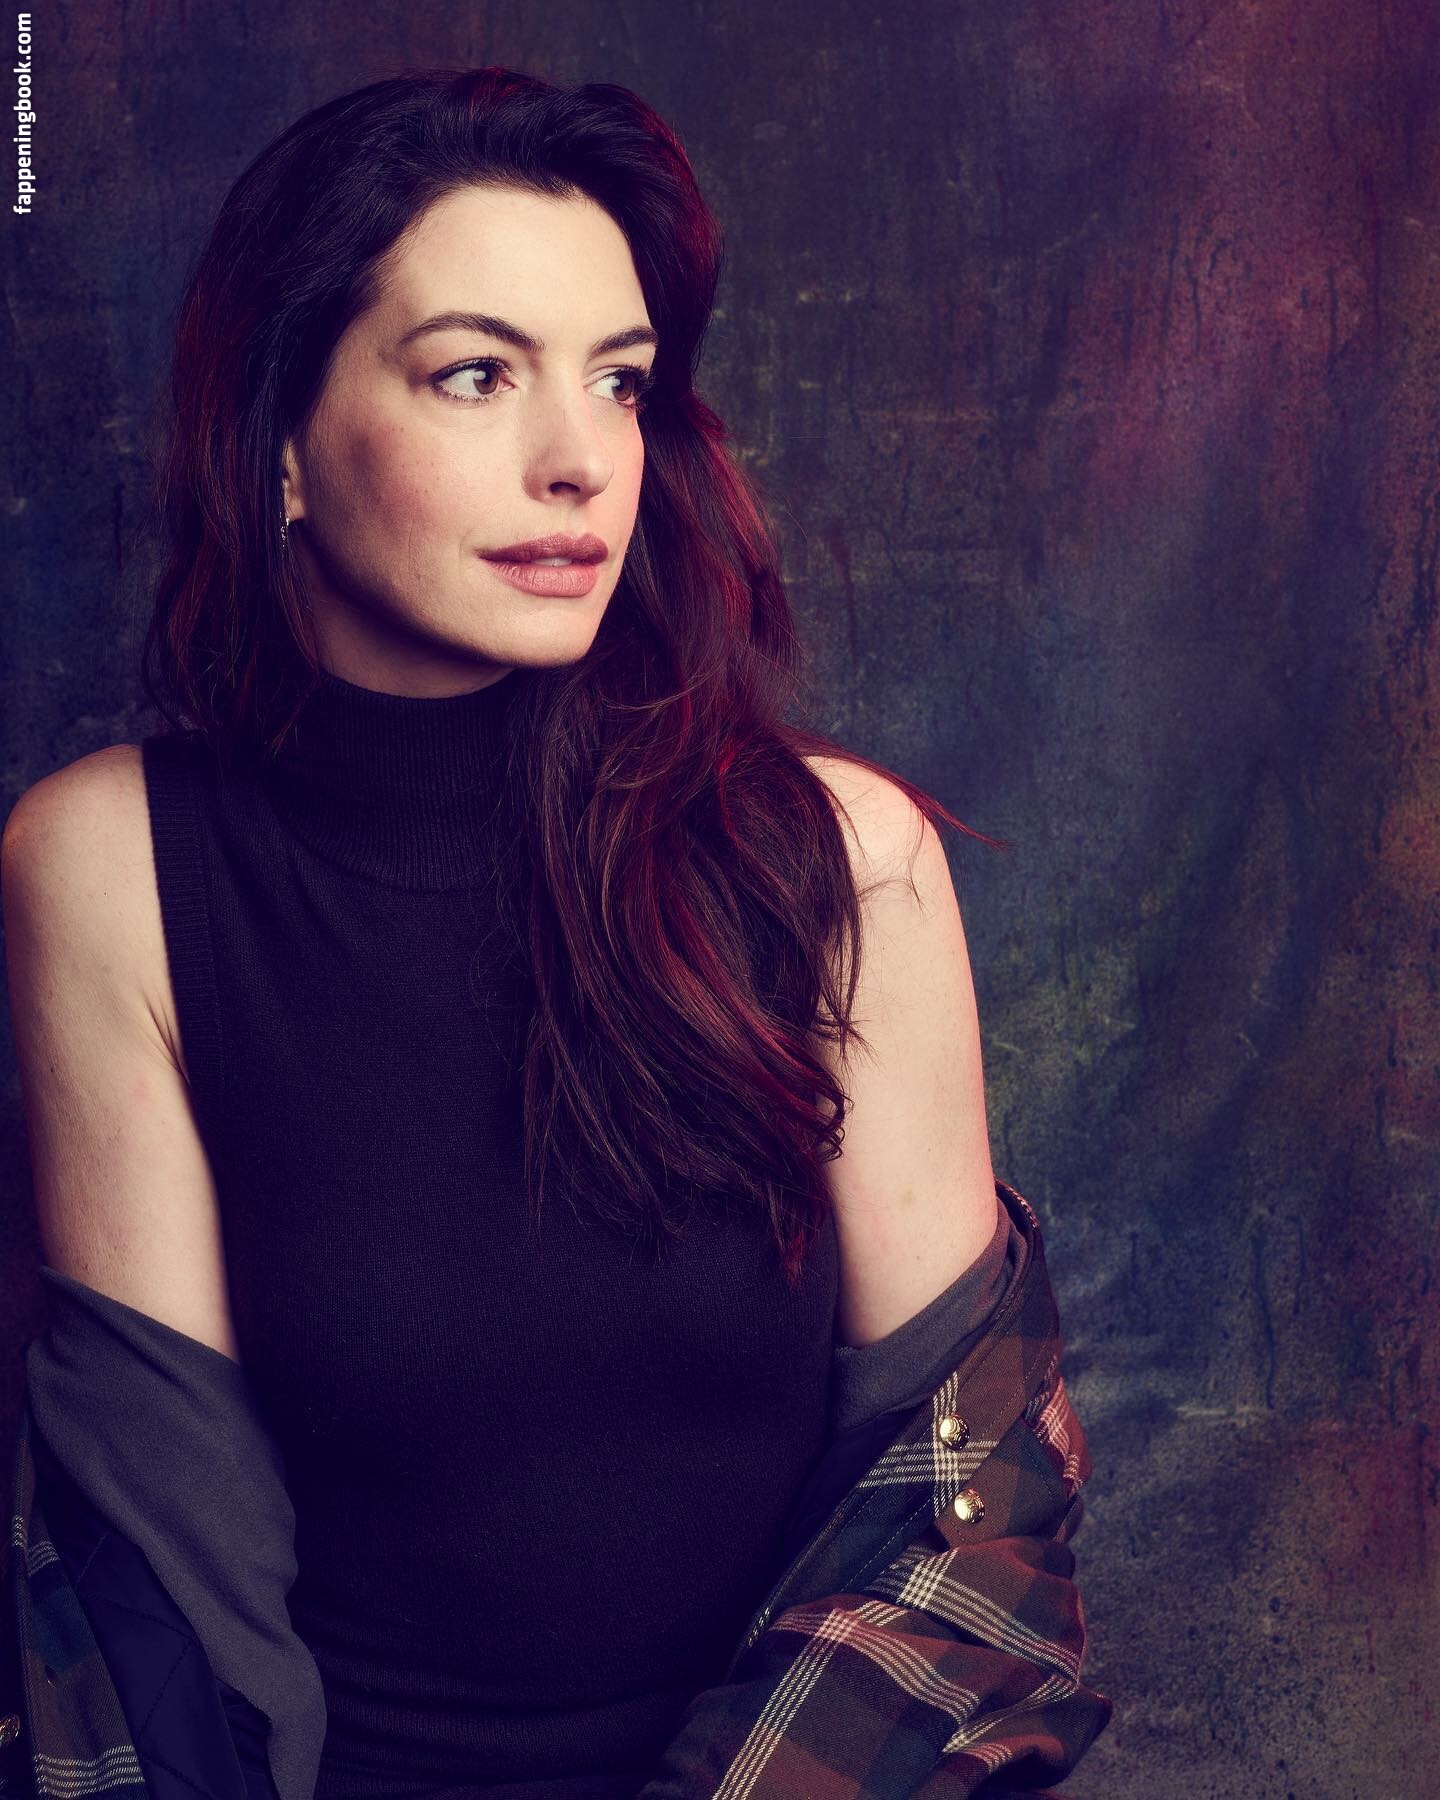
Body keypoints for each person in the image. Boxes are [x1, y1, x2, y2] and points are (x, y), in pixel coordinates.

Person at [0, 66, 1110, 1799]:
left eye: (619, 380)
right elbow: (164, 1587)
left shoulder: (837, 861)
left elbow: (968, 1530)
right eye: (476, 372)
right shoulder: (107, 865)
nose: (581, 457)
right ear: (280, 442)